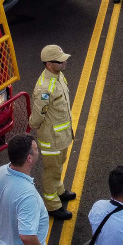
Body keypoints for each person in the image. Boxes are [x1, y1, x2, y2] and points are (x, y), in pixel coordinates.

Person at [0, 134, 50, 245]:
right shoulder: (28, 195)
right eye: (36, 149)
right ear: (29, 158)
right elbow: (26, 236)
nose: (38, 151)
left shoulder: (1, 172)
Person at [30, 45, 76, 219]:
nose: (65, 61)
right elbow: (37, 117)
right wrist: (32, 124)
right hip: (52, 139)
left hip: (62, 136)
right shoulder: (44, 89)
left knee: (59, 164)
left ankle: (59, 190)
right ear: (49, 64)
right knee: (52, 171)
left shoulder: (59, 76)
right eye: (60, 60)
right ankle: (52, 205)